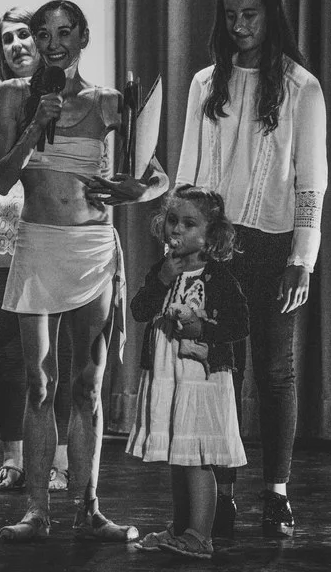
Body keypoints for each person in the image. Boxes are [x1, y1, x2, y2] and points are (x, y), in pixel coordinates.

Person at [0, 0, 169, 542]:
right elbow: (1, 179)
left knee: (88, 386)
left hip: (91, 248)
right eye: (43, 34)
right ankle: (37, 510)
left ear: (83, 37)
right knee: (39, 382)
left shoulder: (110, 101)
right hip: (39, 244)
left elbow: (157, 176)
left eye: (64, 33)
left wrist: (136, 190)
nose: (52, 44)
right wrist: (33, 127)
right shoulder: (14, 96)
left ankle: (88, 508)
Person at [176, 0, 327, 537]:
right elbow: (188, 172)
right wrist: (183, 247)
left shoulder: (300, 87)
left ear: (271, 17)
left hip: (271, 246)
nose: (239, 25)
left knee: (275, 370)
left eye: (250, 14)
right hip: (216, 246)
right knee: (223, 372)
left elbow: (311, 183)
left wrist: (301, 260)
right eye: (231, 15)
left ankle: (277, 492)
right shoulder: (204, 83)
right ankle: (225, 492)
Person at [0, 7, 71, 492]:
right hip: (0, 243)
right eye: (7, 39)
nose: (17, 45)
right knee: (8, 354)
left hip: (51, 238)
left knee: (55, 356)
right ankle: (13, 459)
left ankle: (57, 462)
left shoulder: (73, 102)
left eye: (25, 34)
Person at [126, 185, 248, 560]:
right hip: (169, 377)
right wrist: (161, 279)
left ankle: (200, 535)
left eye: (189, 224)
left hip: (202, 380)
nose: (177, 229)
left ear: (211, 235)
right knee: (180, 456)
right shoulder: (162, 271)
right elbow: (139, 310)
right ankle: (180, 528)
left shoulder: (218, 277)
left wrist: (203, 330)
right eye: (173, 220)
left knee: (197, 457)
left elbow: (240, 323)